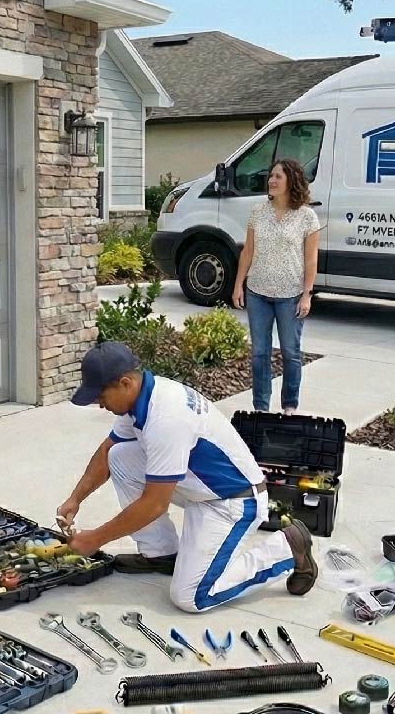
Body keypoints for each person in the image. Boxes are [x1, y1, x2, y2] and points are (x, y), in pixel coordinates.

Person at [58, 342, 318, 613]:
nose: (100, 405)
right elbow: (107, 450)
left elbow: (154, 504)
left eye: (101, 397)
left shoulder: (166, 418)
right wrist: (75, 499)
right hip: (201, 487)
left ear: (125, 383)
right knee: (120, 456)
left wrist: (95, 539)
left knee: (192, 597)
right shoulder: (141, 397)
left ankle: (285, 548)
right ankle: (162, 554)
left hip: (233, 502)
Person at [232, 158, 322, 414]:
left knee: (290, 353)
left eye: (278, 176)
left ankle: (289, 406)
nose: (271, 180)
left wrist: (307, 294)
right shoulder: (258, 212)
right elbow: (248, 251)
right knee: (260, 353)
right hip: (258, 292)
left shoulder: (307, 217)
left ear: (291, 180)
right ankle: (260, 408)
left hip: (290, 295)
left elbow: (311, 259)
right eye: (271, 176)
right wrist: (239, 285)